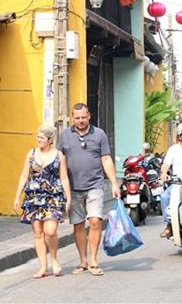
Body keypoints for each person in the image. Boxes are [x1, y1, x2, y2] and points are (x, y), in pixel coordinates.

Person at [57, 103, 120, 276]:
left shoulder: (99, 134)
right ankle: (83, 260)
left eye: (83, 117)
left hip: (95, 185)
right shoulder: (65, 135)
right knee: (78, 225)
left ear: (89, 116)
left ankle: (93, 260)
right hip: (73, 188)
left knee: (95, 221)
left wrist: (114, 183)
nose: (80, 121)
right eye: (77, 118)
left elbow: (106, 159)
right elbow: (59, 160)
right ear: (72, 118)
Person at [13, 124, 71, 278]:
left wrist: (68, 198)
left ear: (50, 139)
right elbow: (24, 175)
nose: (38, 140)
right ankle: (43, 267)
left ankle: (54, 260)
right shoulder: (31, 154)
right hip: (33, 196)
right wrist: (17, 197)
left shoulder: (59, 156)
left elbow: (64, 177)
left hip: (53, 196)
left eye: (41, 138)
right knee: (38, 233)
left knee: (50, 231)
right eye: (37, 137)